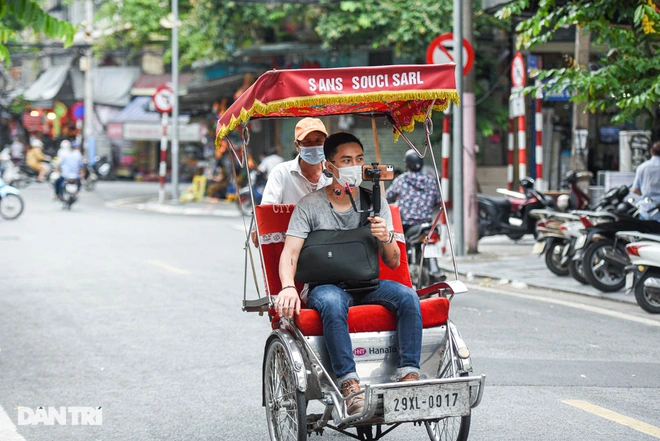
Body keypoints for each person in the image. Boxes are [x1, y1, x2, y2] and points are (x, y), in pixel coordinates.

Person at [275, 132, 423, 416]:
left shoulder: (375, 201)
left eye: (359, 159)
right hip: (325, 285)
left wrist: (386, 236)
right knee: (331, 303)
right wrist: (287, 287)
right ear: (329, 166)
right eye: (346, 160)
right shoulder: (310, 205)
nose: (354, 166)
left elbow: (393, 262)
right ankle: (349, 384)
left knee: (407, 297)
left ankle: (409, 376)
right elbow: (290, 253)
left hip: (366, 283)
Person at [260, 117, 332, 205]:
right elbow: (268, 211)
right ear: (297, 146)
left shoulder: (336, 173)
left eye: (319, 141)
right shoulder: (281, 173)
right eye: (307, 142)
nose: (314, 146)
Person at [385, 149, 441, 232]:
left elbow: (387, 196)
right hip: (426, 222)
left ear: (406, 164)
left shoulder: (401, 179)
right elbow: (437, 201)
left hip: (405, 224)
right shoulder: (431, 180)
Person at [632, 141, 660, 220]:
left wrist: (646, 194)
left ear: (651, 151)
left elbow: (635, 189)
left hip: (646, 210)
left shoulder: (642, 167)